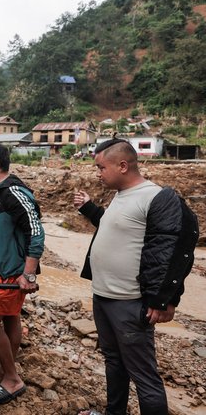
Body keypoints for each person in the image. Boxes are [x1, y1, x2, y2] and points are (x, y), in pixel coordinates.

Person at [74, 138, 190, 415]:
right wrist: (90, 209)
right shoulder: (121, 194)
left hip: (129, 302)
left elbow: (171, 251)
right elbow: (117, 228)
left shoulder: (156, 197)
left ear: (123, 165)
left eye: (101, 167)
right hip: (103, 296)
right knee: (114, 361)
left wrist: (164, 300)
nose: (98, 173)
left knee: (143, 375)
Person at [0, 141, 43, 405]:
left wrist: (29, 274)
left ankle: (12, 379)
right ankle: (3, 370)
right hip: (2, 269)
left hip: (11, 274)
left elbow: (36, 231)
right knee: (11, 319)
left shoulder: (13, 191)